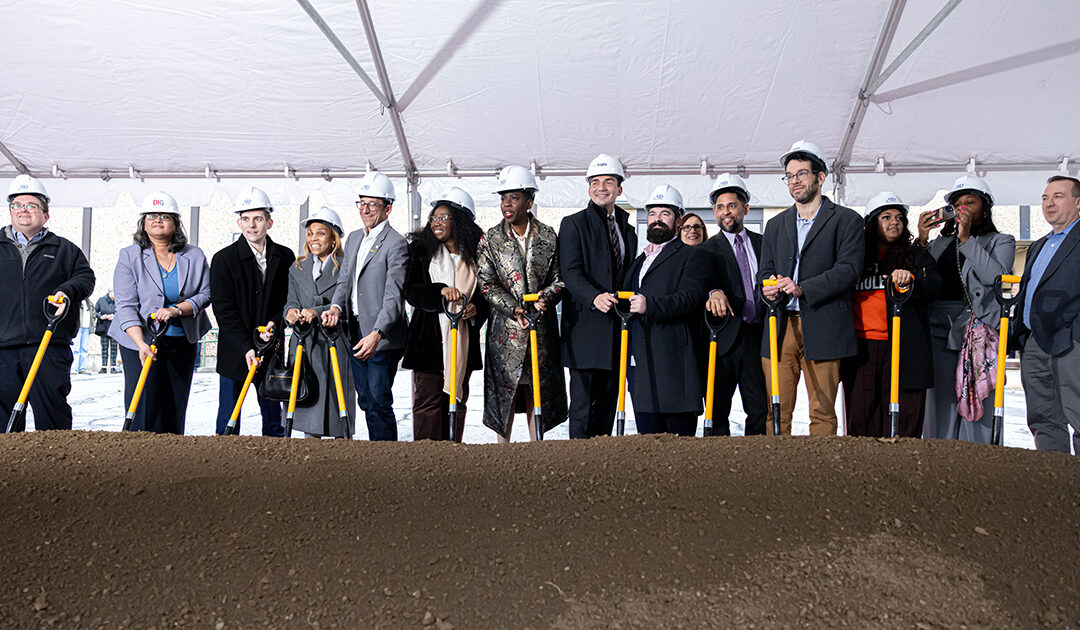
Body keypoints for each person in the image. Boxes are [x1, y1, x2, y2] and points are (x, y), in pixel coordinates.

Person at [758, 140, 864, 435]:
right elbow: (764, 270)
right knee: (777, 412)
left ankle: (822, 476)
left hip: (824, 323)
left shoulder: (847, 221)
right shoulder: (776, 225)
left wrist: (802, 288)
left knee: (822, 411)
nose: (795, 181)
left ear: (820, 177)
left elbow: (848, 271)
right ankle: (778, 474)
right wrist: (767, 287)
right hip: (779, 327)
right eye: (789, 176)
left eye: (802, 173)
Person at [917, 175, 1015, 444]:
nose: (961, 209)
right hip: (937, 325)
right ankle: (940, 463)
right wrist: (923, 240)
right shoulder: (940, 243)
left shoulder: (1001, 240)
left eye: (968, 203)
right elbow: (919, 277)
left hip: (978, 328)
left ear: (984, 209)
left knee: (978, 401)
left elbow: (996, 277)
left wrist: (968, 239)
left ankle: (979, 465)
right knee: (940, 404)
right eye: (955, 204)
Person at [477, 165, 567, 442]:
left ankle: (536, 448)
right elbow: (486, 282)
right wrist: (512, 307)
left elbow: (561, 278)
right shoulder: (490, 239)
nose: (506, 203)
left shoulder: (549, 237)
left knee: (536, 388)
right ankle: (503, 453)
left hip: (541, 328)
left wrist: (546, 298)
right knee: (505, 390)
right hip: (507, 331)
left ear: (529, 202)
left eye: (514, 197)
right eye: (503, 197)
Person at [110, 191, 211, 434]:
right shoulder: (129, 256)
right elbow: (125, 305)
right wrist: (140, 343)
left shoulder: (194, 255)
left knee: (175, 401)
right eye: (152, 216)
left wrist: (176, 310)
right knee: (145, 401)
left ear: (176, 223)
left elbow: (206, 294)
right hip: (140, 341)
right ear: (143, 223)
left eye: (165, 216)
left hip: (182, 339)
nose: (158, 220)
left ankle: (172, 455)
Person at [841, 192, 941, 438]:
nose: (894, 222)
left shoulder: (915, 256)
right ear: (872, 222)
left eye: (899, 218)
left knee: (905, 420)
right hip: (862, 348)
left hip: (903, 347)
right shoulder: (855, 257)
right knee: (862, 418)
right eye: (885, 217)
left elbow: (934, 287)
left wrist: (910, 281)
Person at [0, 175, 95, 432]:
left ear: (45, 214)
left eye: (31, 205)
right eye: (17, 205)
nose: (23, 210)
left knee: (53, 419)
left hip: (49, 346)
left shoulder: (64, 249)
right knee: (4, 423)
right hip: (3, 351)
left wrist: (66, 291)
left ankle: (57, 469)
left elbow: (85, 278)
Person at [559, 154, 637, 438]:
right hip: (585, 331)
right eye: (595, 182)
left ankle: (602, 467)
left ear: (619, 188)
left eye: (608, 181)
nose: (601, 187)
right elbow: (570, 271)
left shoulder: (627, 230)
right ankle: (577, 466)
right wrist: (594, 297)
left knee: (607, 404)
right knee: (582, 408)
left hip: (618, 330)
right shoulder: (573, 224)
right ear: (588, 188)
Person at [326, 172, 408, 441]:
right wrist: (336, 308)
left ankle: (387, 458)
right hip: (355, 331)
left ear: (388, 208)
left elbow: (393, 297)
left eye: (372, 204)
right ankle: (377, 455)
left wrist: (377, 333)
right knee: (365, 401)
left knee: (379, 400)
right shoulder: (352, 239)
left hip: (382, 337)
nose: (365, 209)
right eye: (361, 203)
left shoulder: (396, 244)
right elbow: (344, 282)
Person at [403, 188, 489, 442]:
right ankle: (427, 458)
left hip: (464, 340)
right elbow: (411, 292)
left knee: (457, 400)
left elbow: (487, 293)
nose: (436, 223)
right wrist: (440, 291)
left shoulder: (478, 256)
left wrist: (477, 308)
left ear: (460, 221)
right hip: (428, 341)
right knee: (428, 402)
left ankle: (452, 456)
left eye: (443, 218)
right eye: (434, 218)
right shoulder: (420, 251)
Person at [210, 186, 295, 437]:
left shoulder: (285, 256)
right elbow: (224, 311)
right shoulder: (223, 260)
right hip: (235, 352)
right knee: (229, 418)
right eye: (245, 219)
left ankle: (275, 467)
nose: (252, 225)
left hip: (271, 350)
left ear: (270, 222)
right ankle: (223, 462)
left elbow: (289, 300)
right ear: (239, 222)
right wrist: (246, 347)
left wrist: (275, 325)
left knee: (273, 419)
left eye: (258, 219)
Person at [623, 185, 707, 436]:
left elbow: (691, 297)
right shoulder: (640, 259)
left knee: (679, 448)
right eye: (652, 214)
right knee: (648, 446)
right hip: (642, 362)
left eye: (665, 214)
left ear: (679, 220)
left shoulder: (691, 255)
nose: (657, 219)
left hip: (674, 366)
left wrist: (651, 305)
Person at [1015, 176, 1080, 454]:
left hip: (1071, 342)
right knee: (1043, 419)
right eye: (1044, 198)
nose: (1049, 203)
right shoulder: (1039, 245)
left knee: (1078, 413)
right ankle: (1057, 485)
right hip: (1034, 342)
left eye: (1058, 196)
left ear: (1078, 203)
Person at [700, 173, 767, 436]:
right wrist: (712, 290)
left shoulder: (764, 244)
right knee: (716, 412)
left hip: (757, 337)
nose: (725, 212)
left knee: (760, 409)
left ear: (745, 208)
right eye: (719, 207)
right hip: (722, 340)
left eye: (731, 205)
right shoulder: (706, 250)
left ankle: (756, 466)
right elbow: (700, 282)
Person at [283, 207, 355, 438]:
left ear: (334, 237)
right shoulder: (297, 267)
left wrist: (317, 311)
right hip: (305, 342)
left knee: (337, 400)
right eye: (311, 233)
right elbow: (290, 302)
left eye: (321, 233)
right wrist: (291, 312)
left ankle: (341, 447)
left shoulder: (347, 266)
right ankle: (310, 454)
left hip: (335, 342)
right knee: (307, 398)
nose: (314, 238)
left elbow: (348, 303)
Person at [94, 289, 119, 373]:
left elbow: (121, 312)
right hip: (104, 327)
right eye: (114, 292)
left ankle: (113, 366)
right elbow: (95, 311)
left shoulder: (118, 300)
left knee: (114, 348)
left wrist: (115, 316)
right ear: (109, 292)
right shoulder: (101, 300)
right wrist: (101, 317)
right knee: (104, 347)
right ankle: (103, 367)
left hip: (114, 327)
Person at [72, 298, 94, 374]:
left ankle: (82, 367)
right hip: (79, 327)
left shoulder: (89, 302)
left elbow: (93, 314)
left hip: (86, 327)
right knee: (76, 348)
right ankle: (73, 367)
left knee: (84, 348)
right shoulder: (76, 302)